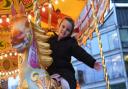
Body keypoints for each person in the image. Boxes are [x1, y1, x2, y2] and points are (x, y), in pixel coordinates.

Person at [46, 17, 101, 89]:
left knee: (64, 85)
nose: (64, 30)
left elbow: (81, 53)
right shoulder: (51, 40)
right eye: (63, 26)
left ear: (70, 33)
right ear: (59, 26)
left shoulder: (70, 43)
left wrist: (92, 62)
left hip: (64, 73)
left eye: (68, 30)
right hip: (51, 72)